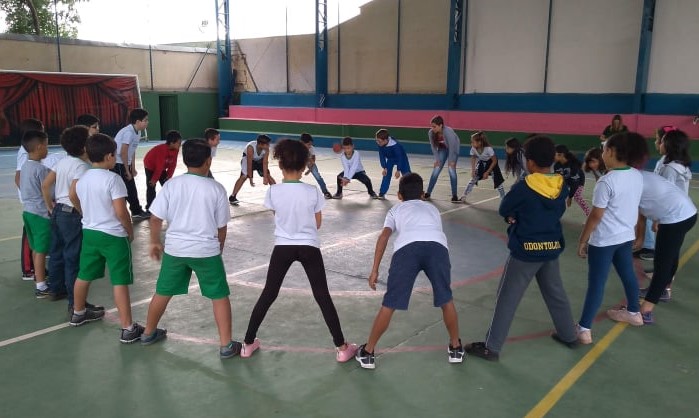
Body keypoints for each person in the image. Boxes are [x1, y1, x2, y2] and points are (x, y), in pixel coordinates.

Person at [241, 138, 357, 362]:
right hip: (309, 246)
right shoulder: (313, 191)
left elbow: (278, 216)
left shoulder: (274, 192)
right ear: (304, 166)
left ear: (280, 165)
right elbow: (318, 223)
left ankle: (247, 343)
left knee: (268, 293)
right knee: (322, 295)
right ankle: (342, 348)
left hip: (282, 247)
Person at [465, 136, 577, 361]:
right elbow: (553, 211)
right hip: (552, 245)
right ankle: (568, 334)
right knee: (556, 293)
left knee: (506, 297)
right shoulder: (561, 185)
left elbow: (505, 208)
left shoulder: (525, 186)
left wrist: (514, 216)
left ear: (531, 162)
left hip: (526, 251)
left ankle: (492, 347)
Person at [142, 139, 242, 358]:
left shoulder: (171, 185)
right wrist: (219, 248)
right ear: (208, 161)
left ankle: (148, 333)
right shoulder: (216, 188)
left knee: (162, 291)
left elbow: (155, 217)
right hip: (206, 251)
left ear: (183, 160)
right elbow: (221, 227)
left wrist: (154, 241)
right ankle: (226, 345)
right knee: (219, 295)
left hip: (175, 250)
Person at [355, 173, 464, 369]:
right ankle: (456, 348)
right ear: (423, 194)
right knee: (446, 300)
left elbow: (383, 237)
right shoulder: (432, 209)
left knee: (390, 304)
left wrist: (374, 270)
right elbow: (430, 235)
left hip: (407, 250)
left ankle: (368, 352)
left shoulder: (395, 210)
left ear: (399, 195)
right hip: (437, 249)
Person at [70, 133, 144, 344]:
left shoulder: (83, 178)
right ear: (109, 156)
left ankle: (78, 312)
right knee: (119, 281)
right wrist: (129, 231)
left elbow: (73, 195)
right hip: (113, 236)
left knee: (84, 274)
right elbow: (122, 212)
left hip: (90, 233)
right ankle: (128, 328)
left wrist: (86, 213)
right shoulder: (113, 179)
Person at [577, 132, 644, 344]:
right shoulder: (636, 174)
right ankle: (634, 313)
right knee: (628, 275)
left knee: (596, 283)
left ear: (612, 152)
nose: (603, 153)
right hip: (625, 237)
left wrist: (582, 240)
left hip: (604, 241)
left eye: (605, 149)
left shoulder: (606, 182)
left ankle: (584, 329)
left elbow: (596, 215)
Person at [624, 134, 696, 325]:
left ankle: (646, 311)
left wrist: (657, 221)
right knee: (670, 257)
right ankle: (664, 289)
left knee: (663, 262)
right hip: (685, 213)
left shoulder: (637, 176)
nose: (659, 143)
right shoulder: (644, 174)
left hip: (676, 217)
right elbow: (647, 204)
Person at [40, 125, 105, 315]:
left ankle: (56, 289)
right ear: (85, 147)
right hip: (71, 215)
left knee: (57, 252)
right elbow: (74, 194)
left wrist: (50, 206)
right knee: (73, 259)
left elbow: (45, 185)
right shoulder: (82, 167)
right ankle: (76, 303)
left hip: (59, 211)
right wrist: (83, 212)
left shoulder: (64, 161)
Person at [19, 130, 52, 298]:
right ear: (39, 147)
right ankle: (41, 286)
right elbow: (48, 191)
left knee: (35, 248)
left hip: (28, 213)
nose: (47, 149)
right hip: (40, 215)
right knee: (41, 251)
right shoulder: (41, 169)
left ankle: (38, 278)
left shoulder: (25, 166)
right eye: (46, 145)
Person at [16, 118, 45, 281]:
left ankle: (35, 266)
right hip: (31, 203)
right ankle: (28, 269)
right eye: (41, 129)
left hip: (32, 202)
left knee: (33, 235)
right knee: (29, 234)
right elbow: (18, 177)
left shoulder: (27, 151)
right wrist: (30, 196)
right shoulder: (24, 153)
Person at [112, 108, 149, 219]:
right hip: (118, 164)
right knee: (125, 188)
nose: (147, 122)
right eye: (145, 120)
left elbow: (131, 151)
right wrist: (126, 170)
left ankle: (136, 211)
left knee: (131, 187)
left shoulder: (137, 132)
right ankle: (128, 212)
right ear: (137, 122)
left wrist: (132, 168)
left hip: (124, 164)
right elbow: (123, 152)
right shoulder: (128, 132)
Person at [228, 134, 276, 205]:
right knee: (244, 176)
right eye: (267, 144)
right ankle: (232, 196)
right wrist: (250, 178)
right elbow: (249, 164)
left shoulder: (266, 149)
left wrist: (265, 177)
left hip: (259, 161)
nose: (269, 146)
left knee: (268, 176)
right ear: (260, 144)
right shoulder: (250, 147)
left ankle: (277, 194)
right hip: (247, 160)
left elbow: (265, 163)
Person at [142, 130, 182, 211]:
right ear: (171, 143)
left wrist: (169, 176)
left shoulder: (176, 149)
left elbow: (173, 164)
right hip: (150, 165)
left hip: (161, 167)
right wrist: (154, 180)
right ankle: (150, 208)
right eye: (179, 143)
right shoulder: (162, 150)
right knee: (151, 187)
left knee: (167, 185)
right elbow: (159, 167)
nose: (180, 145)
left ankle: (171, 206)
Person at [461, 131, 505, 202]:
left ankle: (504, 199)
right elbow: (473, 158)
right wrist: (473, 170)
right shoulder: (473, 149)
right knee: (473, 179)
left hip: (492, 163)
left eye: (473, 142)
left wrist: (487, 172)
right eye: (471, 142)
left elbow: (494, 161)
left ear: (479, 142)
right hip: (482, 163)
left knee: (498, 182)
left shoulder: (488, 149)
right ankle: (464, 195)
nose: (471, 143)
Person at [425, 115, 460, 202]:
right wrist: (437, 160)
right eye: (431, 126)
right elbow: (433, 147)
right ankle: (428, 193)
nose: (432, 128)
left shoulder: (448, 131)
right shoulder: (431, 133)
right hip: (442, 149)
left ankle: (454, 195)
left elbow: (452, 147)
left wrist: (451, 161)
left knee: (451, 170)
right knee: (436, 169)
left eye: (434, 126)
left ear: (441, 125)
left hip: (454, 149)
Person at [553, 145, 590, 217]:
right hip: (566, 181)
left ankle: (589, 214)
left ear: (561, 155)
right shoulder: (557, 166)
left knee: (577, 196)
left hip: (578, 182)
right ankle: (554, 214)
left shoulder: (573, 165)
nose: (552, 156)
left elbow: (575, 184)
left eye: (554, 154)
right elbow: (557, 180)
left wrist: (570, 197)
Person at [375, 128, 411, 200]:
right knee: (386, 174)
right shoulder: (380, 144)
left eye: (379, 141)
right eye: (376, 140)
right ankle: (382, 193)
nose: (378, 143)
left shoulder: (396, 146)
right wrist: (384, 167)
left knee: (407, 176)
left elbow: (400, 157)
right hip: (391, 159)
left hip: (401, 159)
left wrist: (398, 170)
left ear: (385, 140)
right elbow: (381, 156)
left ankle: (412, 192)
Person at [300, 133, 333, 199]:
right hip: (299, 160)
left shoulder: (311, 148)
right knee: (293, 175)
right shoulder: (297, 148)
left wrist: (309, 170)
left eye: (311, 144)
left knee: (318, 176)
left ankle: (325, 192)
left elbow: (313, 160)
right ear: (302, 143)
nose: (310, 146)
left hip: (308, 161)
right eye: (308, 144)